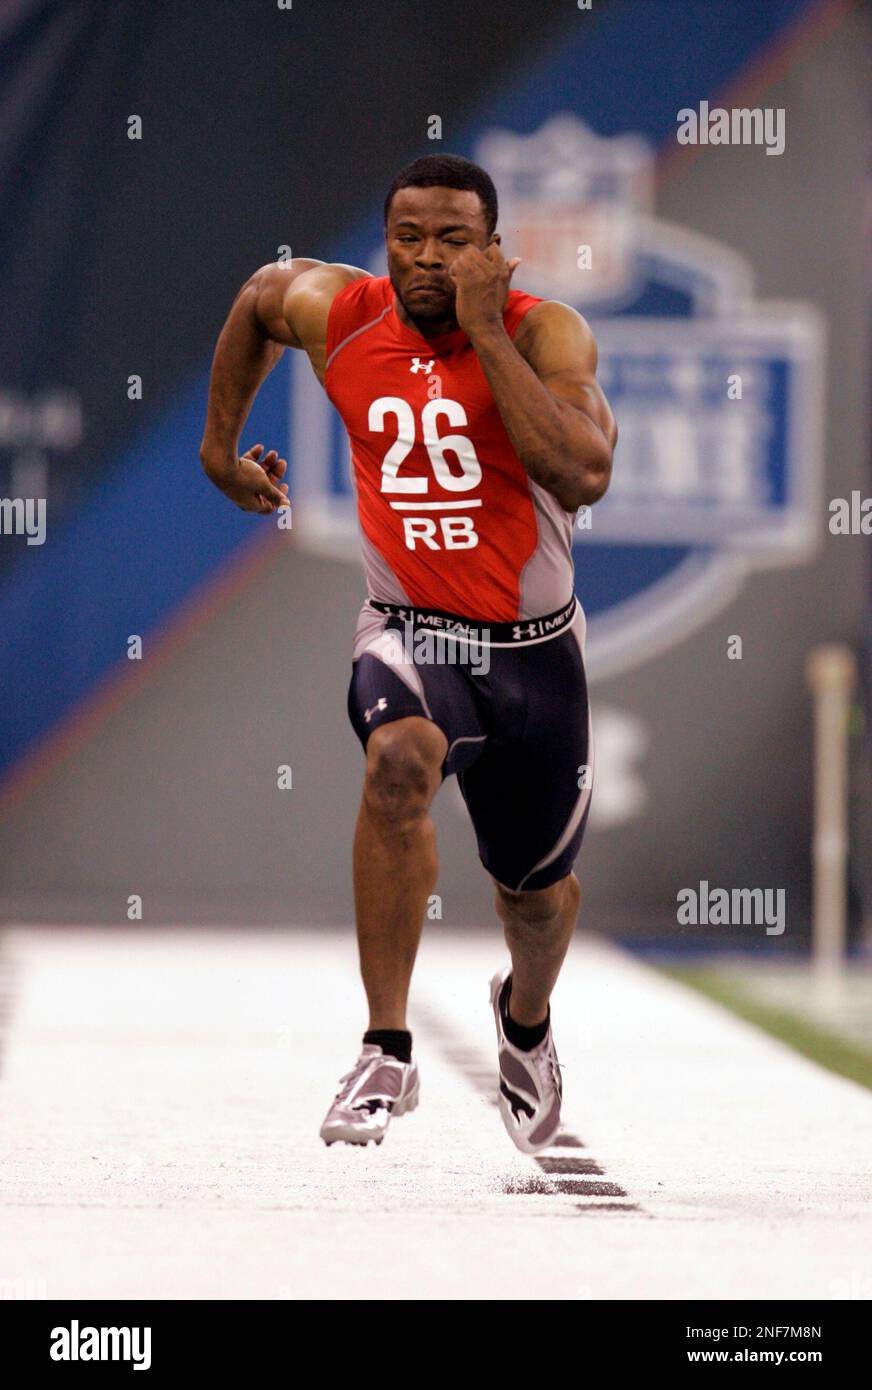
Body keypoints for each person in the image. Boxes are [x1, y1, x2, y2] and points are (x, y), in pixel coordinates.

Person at [200, 154, 617, 1152]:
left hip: (533, 651)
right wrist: (220, 449)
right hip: (409, 623)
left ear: (492, 249)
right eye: (408, 238)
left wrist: (482, 333)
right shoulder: (340, 312)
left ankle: (524, 1022)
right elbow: (261, 298)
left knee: (538, 899)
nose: (427, 259)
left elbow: (582, 472)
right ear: (386, 240)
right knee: (397, 763)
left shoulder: (539, 328)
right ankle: (385, 1046)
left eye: (453, 241)